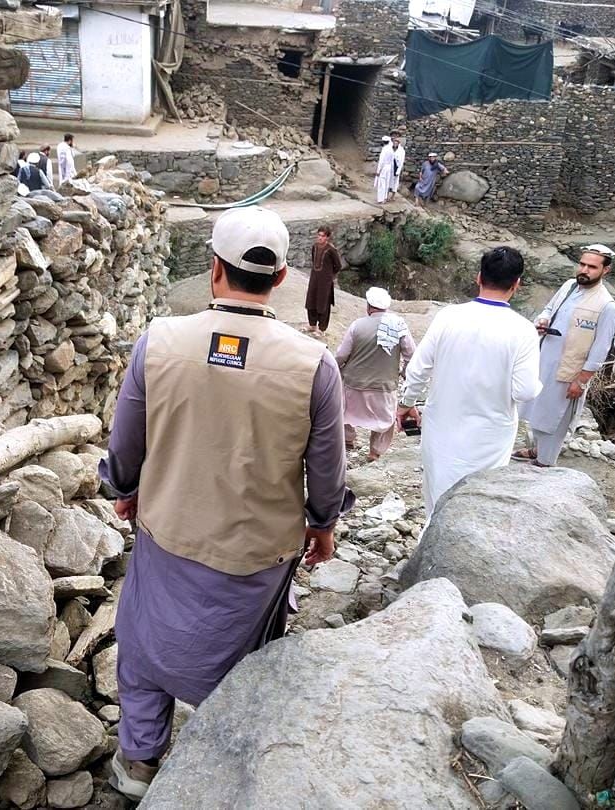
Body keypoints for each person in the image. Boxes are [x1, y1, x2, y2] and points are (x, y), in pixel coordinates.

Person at [100, 206, 353, 801]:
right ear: (281, 277)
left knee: (145, 646)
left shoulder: (159, 342)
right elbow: (326, 469)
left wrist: (125, 490)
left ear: (214, 266)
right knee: (242, 656)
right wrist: (323, 524)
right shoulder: (313, 365)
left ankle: (139, 761)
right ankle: (224, 767)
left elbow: (125, 442)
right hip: (258, 551)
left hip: (168, 529)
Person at [398, 246, 542, 517]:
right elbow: (525, 391)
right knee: (479, 506)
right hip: (490, 436)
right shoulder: (524, 331)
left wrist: (406, 403)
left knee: (437, 501)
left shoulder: (448, 316)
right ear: (516, 284)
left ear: (478, 277)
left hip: (441, 428)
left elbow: (417, 368)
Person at [515, 244, 615, 467]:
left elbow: (601, 348)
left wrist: (581, 381)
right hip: (545, 359)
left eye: (592, 267)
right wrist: (542, 320)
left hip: (570, 371)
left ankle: (545, 463)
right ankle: (537, 450)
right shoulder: (568, 287)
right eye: (582, 264)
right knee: (538, 408)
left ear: (606, 270)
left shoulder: (607, 306)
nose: (584, 270)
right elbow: (548, 309)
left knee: (555, 417)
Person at [336, 286, 416, 461]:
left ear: (368, 306)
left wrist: (336, 367)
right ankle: (375, 452)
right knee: (385, 420)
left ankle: (347, 440)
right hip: (385, 386)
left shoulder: (357, 325)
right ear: (386, 307)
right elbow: (411, 354)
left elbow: (342, 354)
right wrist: (404, 373)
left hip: (354, 383)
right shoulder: (398, 325)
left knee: (345, 412)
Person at [303, 225, 343, 338]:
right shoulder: (315, 247)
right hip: (314, 278)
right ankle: (312, 325)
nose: (320, 238)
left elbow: (338, 266)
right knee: (311, 301)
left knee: (323, 304)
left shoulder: (331, 250)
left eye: (323, 236)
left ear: (327, 237)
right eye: (319, 235)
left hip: (325, 282)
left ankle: (321, 329)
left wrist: (329, 275)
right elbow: (314, 260)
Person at [374, 135, 395, 204]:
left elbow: (381, 161)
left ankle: (381, 199)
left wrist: (378, 170)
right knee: (387, 182)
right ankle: (385, 198)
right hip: (389, 167)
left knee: (382, 183)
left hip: (384, 167)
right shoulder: (391, 149)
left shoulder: (384, 149)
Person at [390, 135, 406, 199]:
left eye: (397, 143)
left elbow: (401, 161)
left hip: (396, 167)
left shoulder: (401, 151)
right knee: (388, 181)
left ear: (398, 143)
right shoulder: (390, 148)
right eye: (394, 142)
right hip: (390, 166)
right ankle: (386, 194)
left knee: (395, 182)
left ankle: (393, 196)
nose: (395, 143)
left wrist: (398, 170)